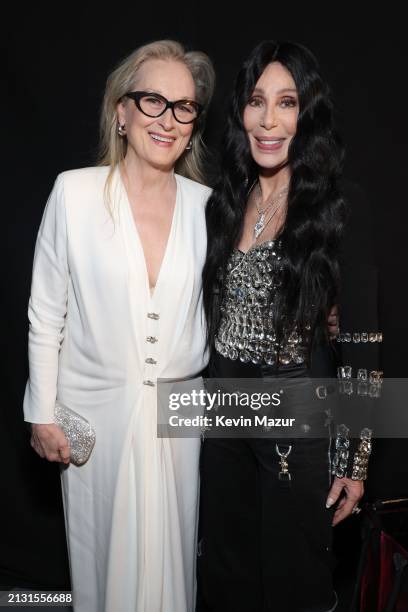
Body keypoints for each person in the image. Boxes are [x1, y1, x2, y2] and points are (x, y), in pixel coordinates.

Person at [23, 39, 215, 612]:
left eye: (183, 107)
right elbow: (45, 310)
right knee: (101, 566)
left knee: (173, 564)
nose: (168, 119)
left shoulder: (210, 206)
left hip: (179, 420)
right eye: (152, 101)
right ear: (121, 111)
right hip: (95, 420)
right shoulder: (74, 193)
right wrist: (41, 409)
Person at [197, 40, 369, 612]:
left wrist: (354, 463)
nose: (268, 120)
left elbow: (364, 346)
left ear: (308, 114)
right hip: (222, 413)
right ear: (241, 112)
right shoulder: (225, 202)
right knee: (225, 573)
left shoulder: (337, 209)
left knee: (292, 581)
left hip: (294, 414)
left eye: (287, 102)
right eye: (256, 101)